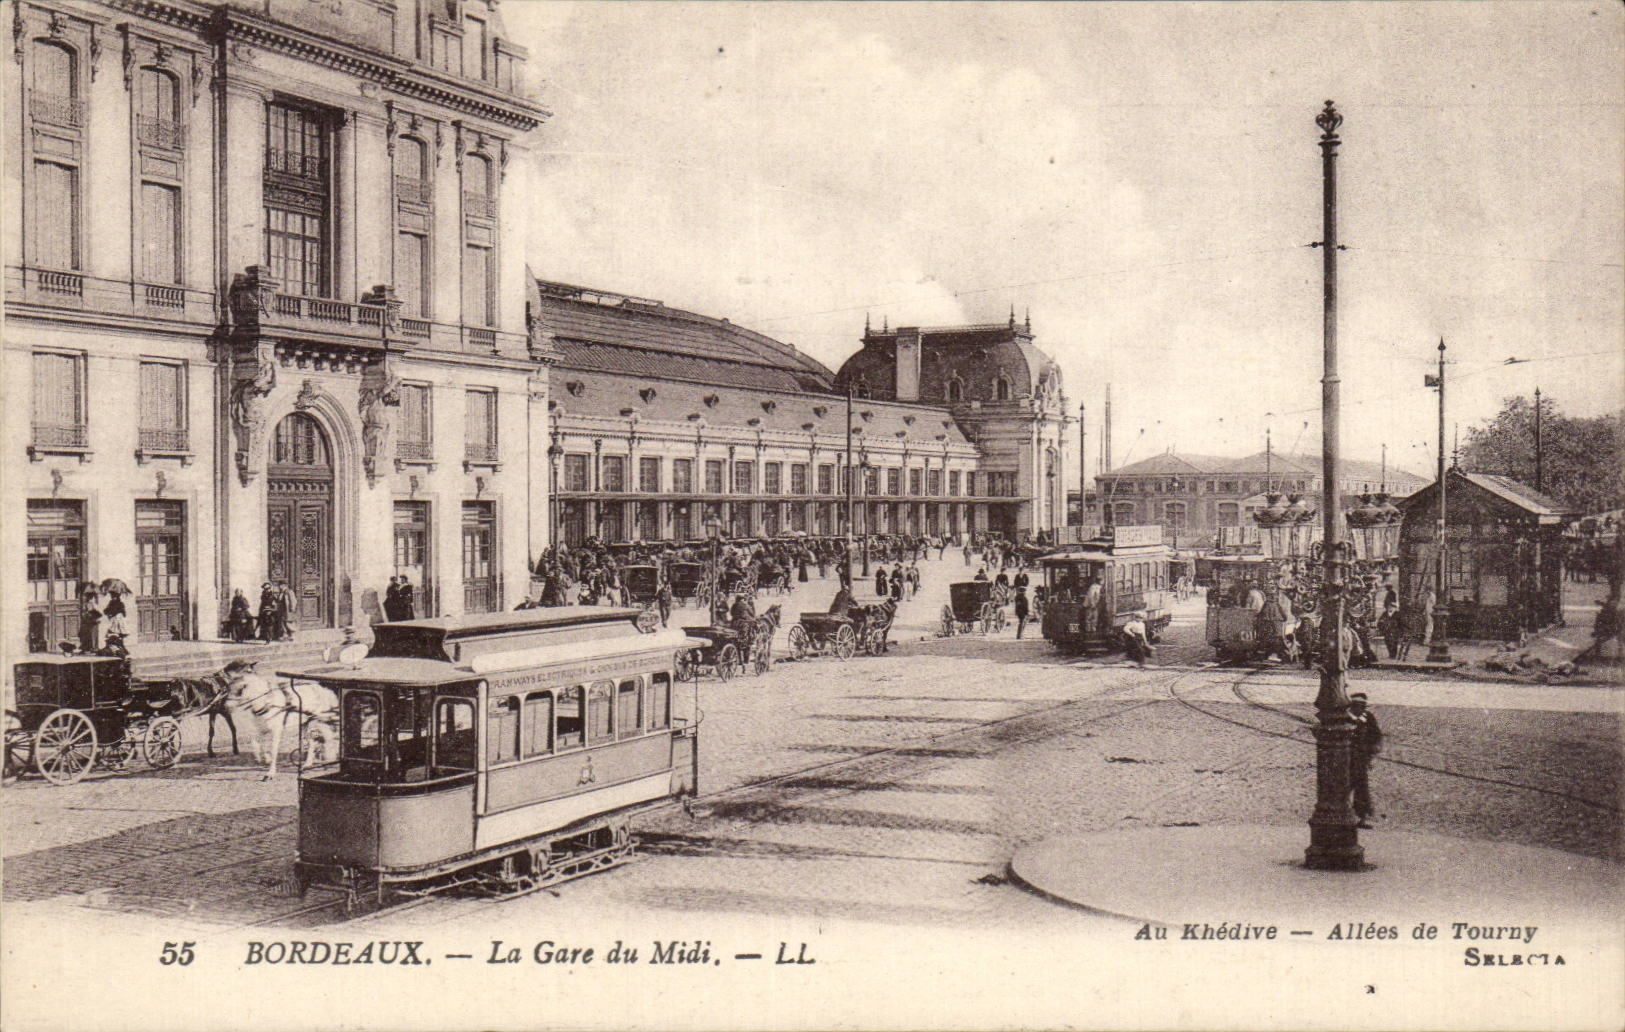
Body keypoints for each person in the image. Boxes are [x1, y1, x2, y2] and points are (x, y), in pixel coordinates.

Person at [1349, 692, 1383, 828]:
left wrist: (1372, 752)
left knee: (1362, 789)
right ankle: (1341, 817)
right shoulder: (1345, 718)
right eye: (1356, 706)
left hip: (1361, 759)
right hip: (1345, 758)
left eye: (1362, 706)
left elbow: (1376, 735)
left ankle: (1362, 818)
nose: (1360, 709)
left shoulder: (1368, 718)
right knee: (1343, 788)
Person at [77, 583, 104, 654]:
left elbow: (99, 612)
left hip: (92, 621)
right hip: (87, 620)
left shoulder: (92, 603)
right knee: (85, 634)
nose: (86, 597)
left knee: (92, 634)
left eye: (88, 596)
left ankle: (93, 647)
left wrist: (91, 613)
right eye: (86, 596)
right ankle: (86, 647)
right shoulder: (86, 603)